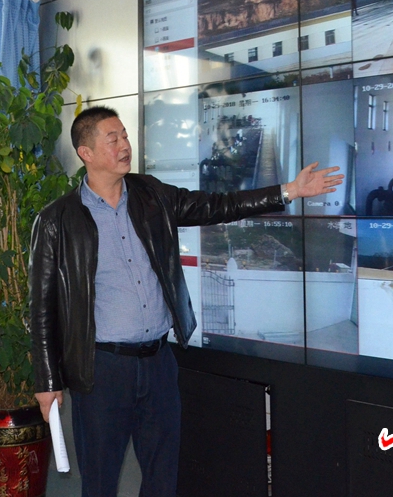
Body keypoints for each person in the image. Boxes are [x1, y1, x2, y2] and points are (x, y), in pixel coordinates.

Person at [29, 106, 343, 497]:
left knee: (163, 478)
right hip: (102, 371)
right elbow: (42, 308)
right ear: (86, 153)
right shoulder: (57, 220)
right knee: (100, 482)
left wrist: (288, 191)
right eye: (113, 139)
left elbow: (217, 205)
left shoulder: (152, 195)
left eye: (124, 135)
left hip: (159, 363)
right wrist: (47, 381)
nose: (125, 145)